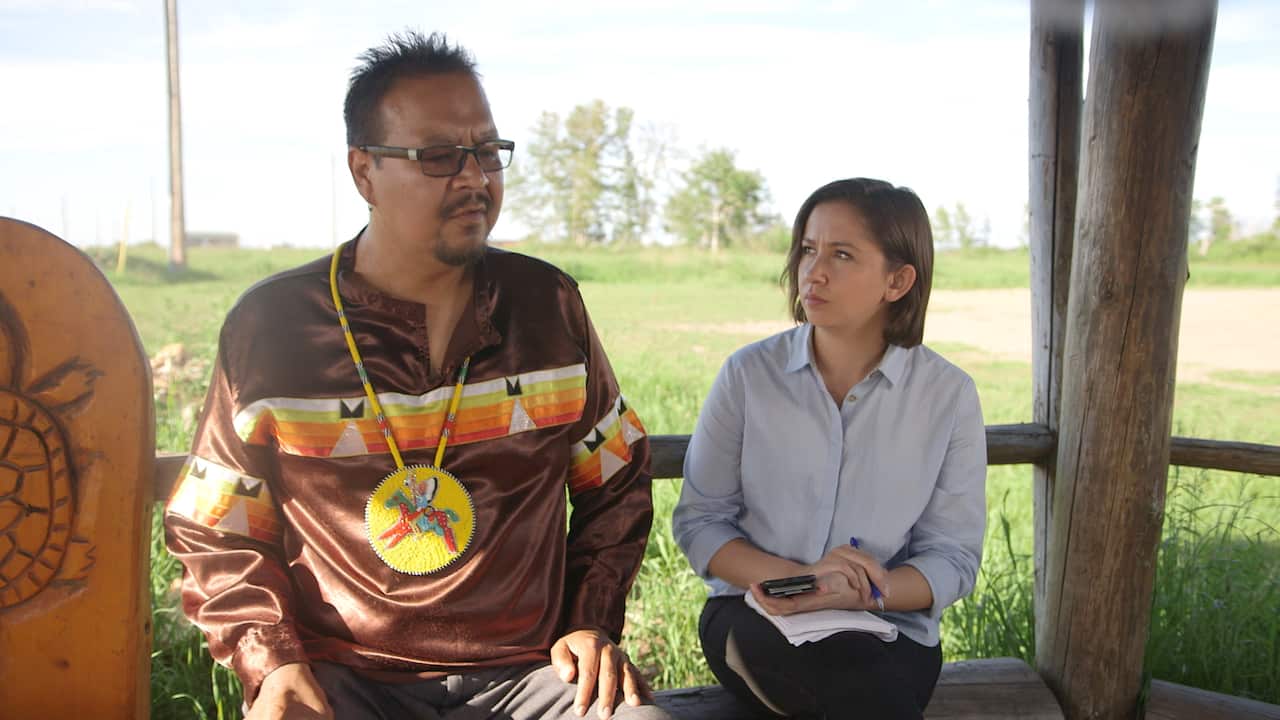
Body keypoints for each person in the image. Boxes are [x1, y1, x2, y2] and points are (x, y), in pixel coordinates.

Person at [164, 32, 670, 720]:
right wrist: (272, 658)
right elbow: (217, 525)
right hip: (343, 679)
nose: (474, 177)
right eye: (439, 156)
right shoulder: (275, 326)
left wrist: (590, 621)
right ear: (363, 171)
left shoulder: (546, 307)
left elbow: (616, 480)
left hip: (531, 674)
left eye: (488, 153)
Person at [671, 178, 987, 719]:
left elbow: (952, 557)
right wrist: (805, 581)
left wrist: (864, 591)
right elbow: (700, 523)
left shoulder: (948, 395)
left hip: (891, 628)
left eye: (841, 255)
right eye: (809, 250)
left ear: (898, 280)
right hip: (755, 613)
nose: (813, 272)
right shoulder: (749, 375)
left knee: (867, 687)